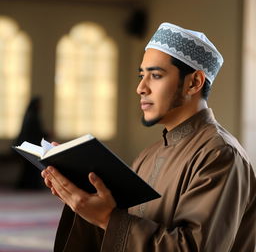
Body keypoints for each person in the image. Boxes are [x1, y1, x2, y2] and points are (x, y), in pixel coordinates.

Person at [41, 23, 256, 251]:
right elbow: (122, 226)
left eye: (155, 75)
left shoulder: (220, 154)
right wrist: (83, 196)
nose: (141, 88)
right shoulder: (148, 155)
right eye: (141, 75)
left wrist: (107, 218)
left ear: (194, 82)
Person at [14, 96, 48, 189]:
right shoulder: (32, 117)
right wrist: (46, 134)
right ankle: (29, 186)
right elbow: (35, 133)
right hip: (30, 147)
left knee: (29, 168)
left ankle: (28, 185)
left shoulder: (30, 115)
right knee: (30, 168)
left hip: (29, 146)